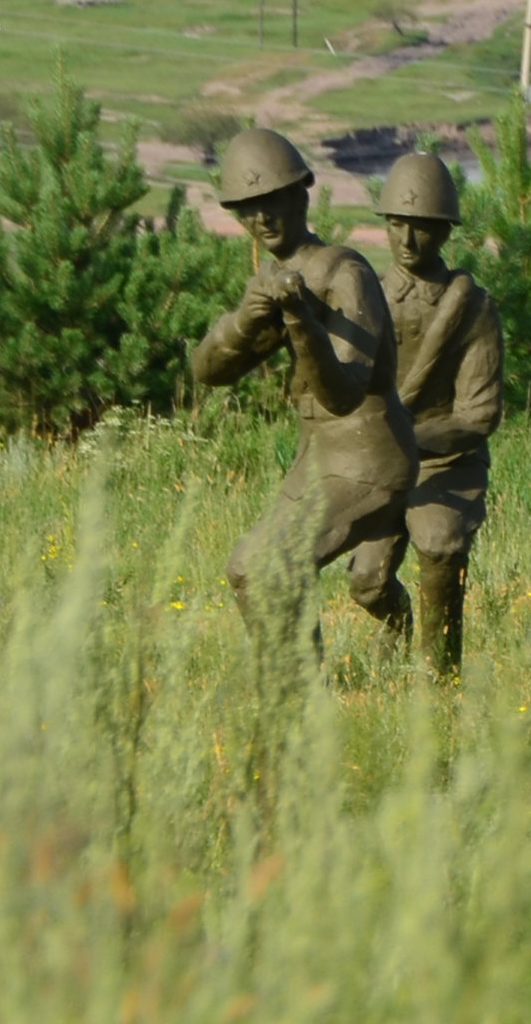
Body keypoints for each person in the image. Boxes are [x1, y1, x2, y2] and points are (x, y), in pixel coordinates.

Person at [190, 128, 423, 654]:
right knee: (247, 570)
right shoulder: (278, 280)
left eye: (272, 201)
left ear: (301, 194)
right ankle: (288, 688)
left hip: (369, 458)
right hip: (317, 458)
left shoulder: (345, 272)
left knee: (273, 565)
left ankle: (299, 703)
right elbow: (208, 372)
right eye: (248, 209)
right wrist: (244, 324)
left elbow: (345, 392)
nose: (262, 219)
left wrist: (300, 322)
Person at [373, 150, 504, 674]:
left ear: (446, 231)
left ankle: (440, 674)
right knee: (367, 582)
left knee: (441, 544)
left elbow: (478, 413)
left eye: (422, 228)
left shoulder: (472, 307)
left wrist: (411, 437)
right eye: (398, 225)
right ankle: (398, 625)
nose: (407, 241)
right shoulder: (368, 298)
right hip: (376, 462)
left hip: (447, 463)